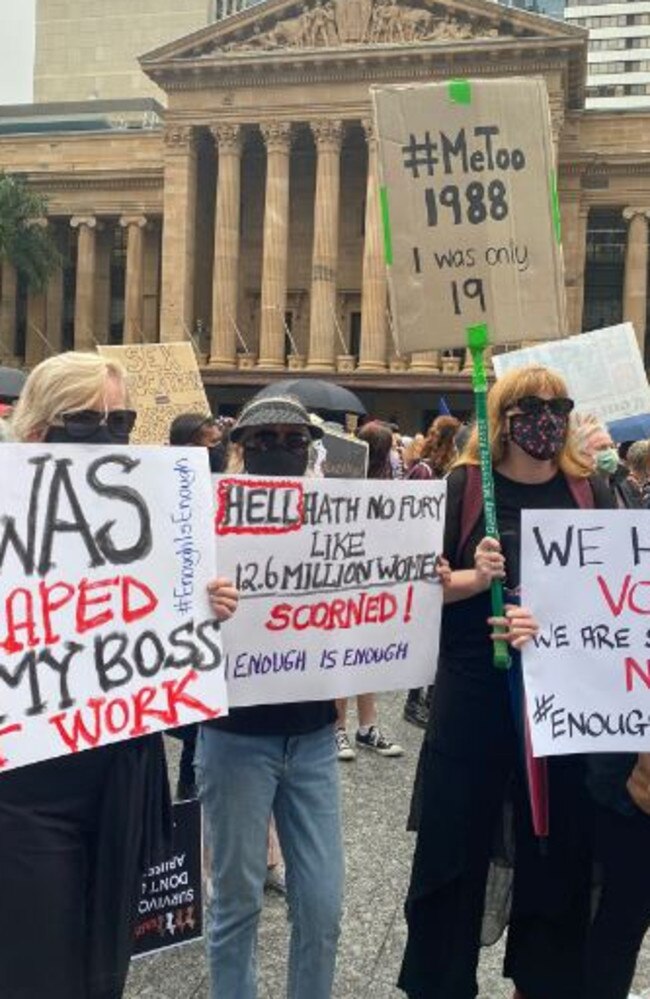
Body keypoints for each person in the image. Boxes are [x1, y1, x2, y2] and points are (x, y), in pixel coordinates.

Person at [0, 352, 238, 999]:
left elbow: (157, 639)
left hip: (122, 777)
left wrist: (200, 607)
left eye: (121, 419)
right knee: (38, 972)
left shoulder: (153, 510)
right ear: (41, 430)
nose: (110, 434)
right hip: (26, 793)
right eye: (90, 421)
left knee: (102, 977)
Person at [399, 365, 615, 999]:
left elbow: (620, 601)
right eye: (529, 406)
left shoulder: (593, 494)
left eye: (558, 405)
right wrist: (469, 580)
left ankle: (543, 985)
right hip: (472, 701)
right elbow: (412, 595)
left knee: (559, 857)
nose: (544, 417)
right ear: (502, 417)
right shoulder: (462, 488)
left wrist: (550, 622)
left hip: (564, 709)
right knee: (452, 853)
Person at [196, 395, 344, 999]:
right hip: (233, 740)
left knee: (323, 903)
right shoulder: (205, 517)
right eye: (263, 440)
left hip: (312, 740)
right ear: (241, 450)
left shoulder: (340, 517)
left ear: (310, 448)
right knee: (236, 901)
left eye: (292, 438)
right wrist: (202, 604)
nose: (279, 448)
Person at [335, 420, 404, 760]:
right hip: (344, 581)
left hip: (375, 582)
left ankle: (366, 726)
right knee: (341, 655)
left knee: (366, 656)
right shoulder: (344, 483)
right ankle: (338, 729)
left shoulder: (391, 484)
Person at [403, 415, 461, 727]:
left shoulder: (437, 469)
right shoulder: (425, 470)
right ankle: (414, 701)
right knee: (426, 634)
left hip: (435, 554)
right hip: (424, 555)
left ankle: (425, 698)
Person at [573, 413, 641, 508]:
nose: (610, 452)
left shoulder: (626, 483)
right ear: (581, 454)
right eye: (602, 448)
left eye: (611, 446)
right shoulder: (577, 493)